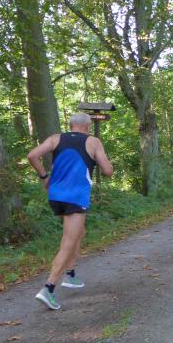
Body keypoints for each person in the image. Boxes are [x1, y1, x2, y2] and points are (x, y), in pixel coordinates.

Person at [26, 113, 114, 310]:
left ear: (70, 125)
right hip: (75, 197)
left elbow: (32, 156)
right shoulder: (93, 142)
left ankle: (71, 274)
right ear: (87, 127)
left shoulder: (55, 138)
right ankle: (49, 288)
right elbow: (107, 171)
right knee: (68, 242)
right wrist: (109, 165)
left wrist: (44, 177)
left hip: (55, 195)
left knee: (79, 233)